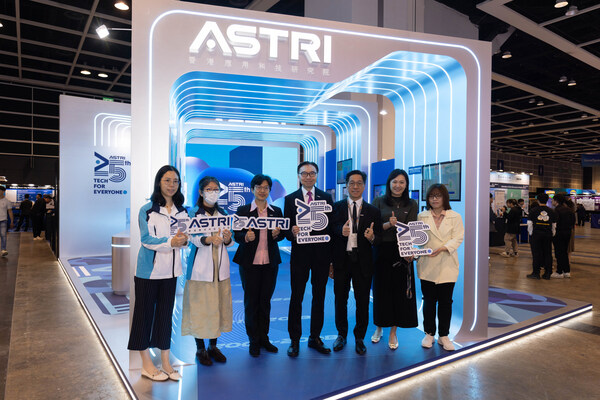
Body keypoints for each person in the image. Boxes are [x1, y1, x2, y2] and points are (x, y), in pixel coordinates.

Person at [127, 165, 188, 382]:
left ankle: (165, 362)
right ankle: (146, 364)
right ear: (159, 182)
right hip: (148, 273)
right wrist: (171, 242)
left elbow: (186, 238)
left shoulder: (182, 211)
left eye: (175, 181)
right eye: (167, 180)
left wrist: (185, 240)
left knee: (165, 317)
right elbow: (146, 240)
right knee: (143, 317)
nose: (172, 185)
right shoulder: (147, 210)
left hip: (171, 273)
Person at [182, 176, 234, 367]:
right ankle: (200, 348)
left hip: (220, 270)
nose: (213, 193)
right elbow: (190, 238)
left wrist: (227, 238)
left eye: (216, 189)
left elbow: (230, 241)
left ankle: (213, 346)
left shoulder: (223, 213)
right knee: (200, 309)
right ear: (201, 192)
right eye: (209, 189)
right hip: (200, 269)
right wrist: (207, 239)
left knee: (217, 307)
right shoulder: (193, 213)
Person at [284, 161, 334, 357]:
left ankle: (315, 337)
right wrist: (292, 232)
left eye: (312, 173)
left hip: (322, 256)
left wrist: (331, 260)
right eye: (304, 174)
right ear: (299, 176)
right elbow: (287, 230)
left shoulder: (326, 198)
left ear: (316, 175)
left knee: (319, 297)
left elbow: (330, 228)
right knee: (296, 297)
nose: (308, 177)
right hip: (300, 256)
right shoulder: (290, 199)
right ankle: (294, 340)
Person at [330, 170, 382, 355]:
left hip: (363, 263)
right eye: (351, 183)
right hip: (341, 261)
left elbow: (379, 239)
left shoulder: (373, 211)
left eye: (359, 183)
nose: (355, 186)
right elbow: (329, 232)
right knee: (340, 300)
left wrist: (372, 237)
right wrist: (339, 231)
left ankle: (360, 337)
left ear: (364, 186)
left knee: (362, 302)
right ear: (346, 186)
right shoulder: (336, 207)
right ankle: (341, 335)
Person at [233, 174, 285, 357]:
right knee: (251, 302)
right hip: (250, 263)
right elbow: (236, 234)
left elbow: (282, 234)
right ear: (252, 189)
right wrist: (246, 237)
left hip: (270, 263)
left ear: (269, 190)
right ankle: (253, 340)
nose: (262, 191)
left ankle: (264, 338)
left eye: (266, 188)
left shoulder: (276, 211)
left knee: (265, 302)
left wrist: (278, 234)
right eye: (259, 187)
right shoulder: (243, 210)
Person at [370, 169, 418, 350]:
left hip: (402, 252)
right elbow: (373, 229)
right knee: (381, 292)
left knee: (399, 293)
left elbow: (411, 229)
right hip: (381, 250)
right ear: (389, 183)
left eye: (402, 182)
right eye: (395, 182)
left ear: (406, 185)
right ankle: (379, 327)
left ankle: (393, 332)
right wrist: (388, 224)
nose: (398, 185)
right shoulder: (378, 201)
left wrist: (409, 250)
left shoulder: (411, 203)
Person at [417, 184, 464, 351]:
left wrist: (443, 248)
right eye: (431, 196)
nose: (435, 199)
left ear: (445, 197)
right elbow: (418, 239)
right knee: (429, 301)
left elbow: (458, 237)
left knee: (446, 302)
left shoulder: (455, 216)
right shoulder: (421, 216)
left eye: (438, 196)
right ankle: (429, 333)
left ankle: (444, 335)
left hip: (447, 264)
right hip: (427, 264)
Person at [527, 193, 557, 280]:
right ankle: (547, 273)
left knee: (536, 254)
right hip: (547, 234)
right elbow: (554, 225)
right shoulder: (552, 211)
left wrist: (531, 233)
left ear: (538, 200)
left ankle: (536, 273)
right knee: (548, 253)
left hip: (536, 234)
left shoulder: (533, 210)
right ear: (547, 200)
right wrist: (552, 234)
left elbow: (530, 224)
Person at [551, 194, 575, 278]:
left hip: (558, 233)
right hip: (568, 233)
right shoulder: (569, 210)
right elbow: (573, 222)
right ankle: (567, 271)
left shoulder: (556, 210)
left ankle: (559, 272)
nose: (552, 201)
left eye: (553, 200)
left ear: (556, 201)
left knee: (559, 252)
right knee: (564, 252)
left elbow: (554, 223)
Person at [0, 186, 14, 257]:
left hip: (3, 220)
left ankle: (3, 250)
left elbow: (10, 212)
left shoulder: (7, 201)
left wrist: (12, 221)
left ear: (3, 192)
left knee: (3, 235)